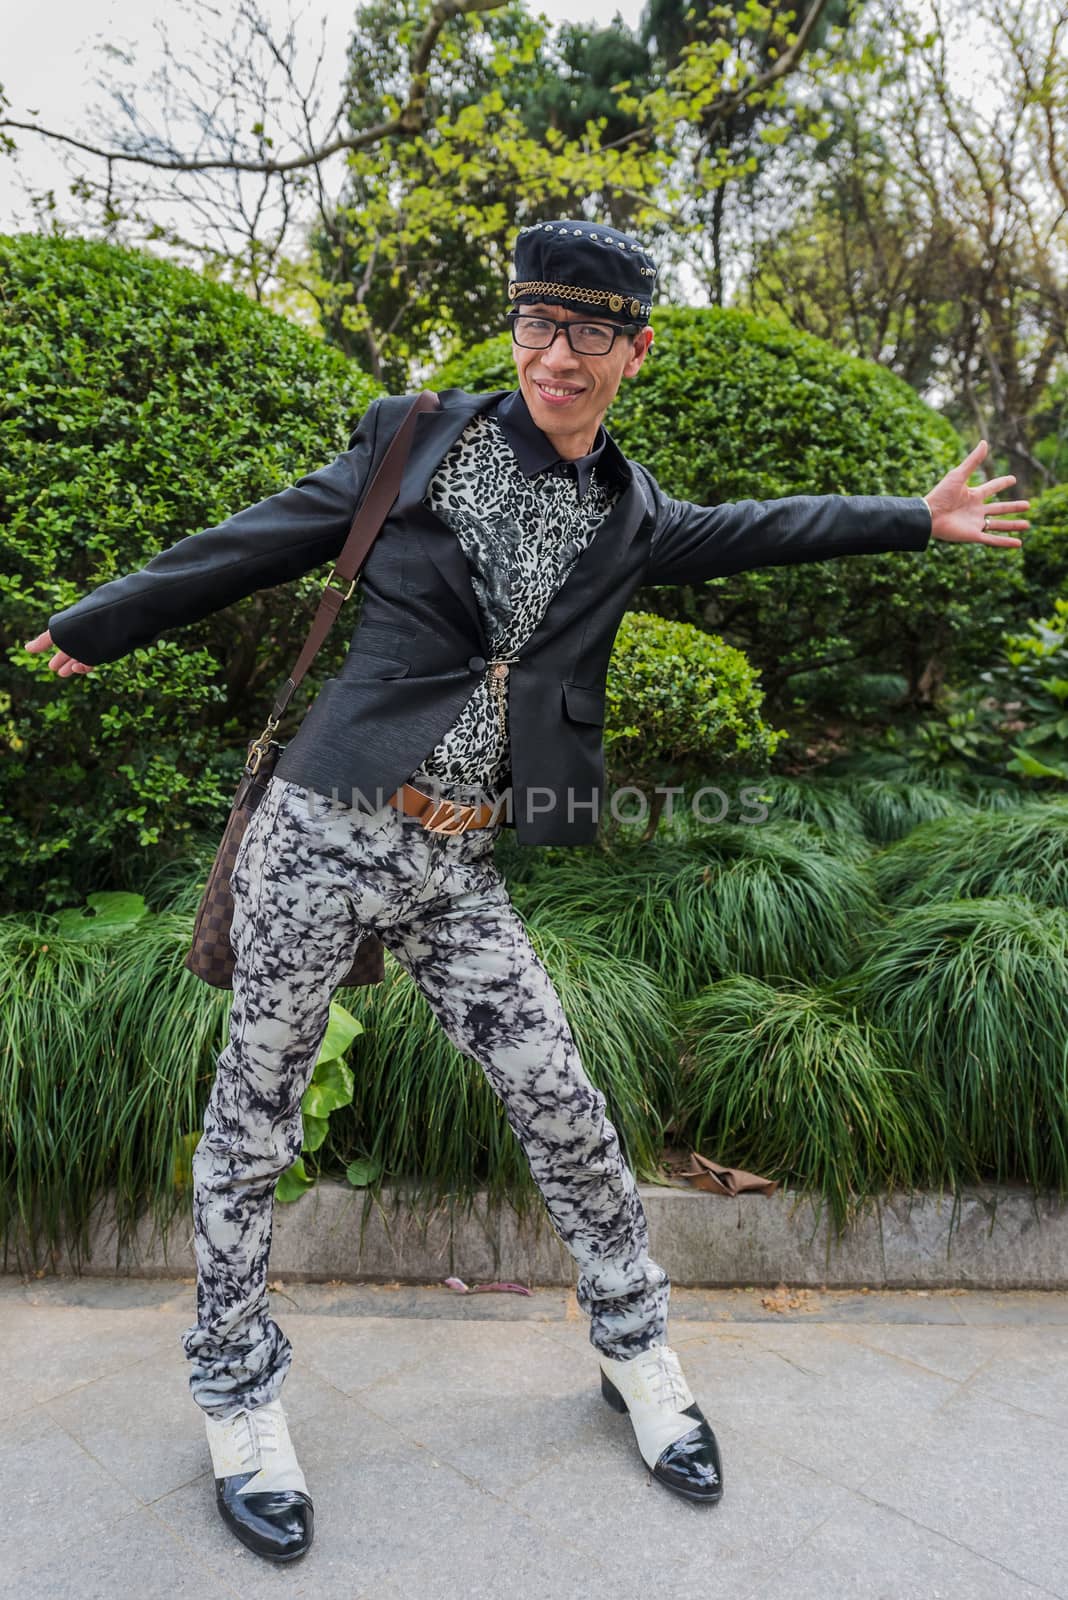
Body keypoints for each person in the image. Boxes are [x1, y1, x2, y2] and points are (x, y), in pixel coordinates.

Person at [25, 218, 1028, 1563]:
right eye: (539, 327)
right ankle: (238, 1396)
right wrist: (100, 624)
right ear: (516, 329)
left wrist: (918, 516)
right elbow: (258, 540)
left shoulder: (630, 508)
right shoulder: (416, 437)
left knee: (562, 1100)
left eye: (592, 333)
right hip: (322, 830)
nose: (559, 356)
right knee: (252, 1124)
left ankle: (637, 1351)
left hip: (460, 858)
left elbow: (762, 529)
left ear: (636, 350)